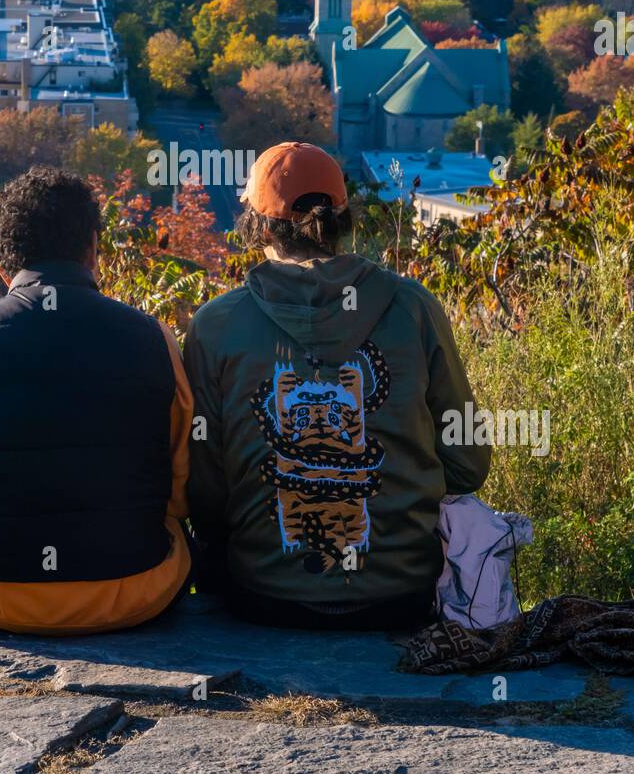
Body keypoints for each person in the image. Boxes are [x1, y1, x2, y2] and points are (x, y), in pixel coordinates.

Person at [184, 141, 490, 630]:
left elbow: (205, 491)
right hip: (402, 595)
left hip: (264, 596)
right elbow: (468, 461)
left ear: (259, 226)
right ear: (343, 218)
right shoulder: (413, 308)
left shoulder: (215, 325)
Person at [0, 165, 192, 635]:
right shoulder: (153, 338)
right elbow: (182, 482)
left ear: (0, 266)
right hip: (139, 588)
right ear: (93, 252)